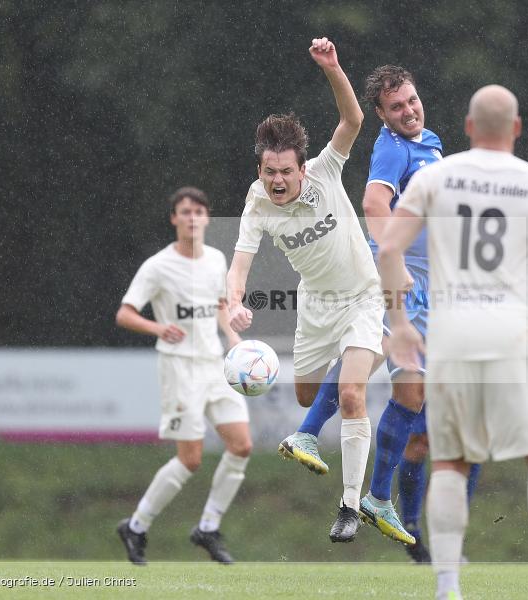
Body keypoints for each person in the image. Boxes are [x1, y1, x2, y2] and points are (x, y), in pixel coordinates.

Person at [380, 85, 528, 600]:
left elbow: (388, 249)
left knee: (450, 462)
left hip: (453, 331)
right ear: (517, 129)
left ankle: (446, 587)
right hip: (517, 330)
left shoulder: (434, 177)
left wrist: (401, 325)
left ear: (467, 127)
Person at [289, 65, 482, 561]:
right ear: (381, 114)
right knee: (368, 362)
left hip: (429, 292)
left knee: (410, 394)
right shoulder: (392, 147)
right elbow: (375, 202)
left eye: (412, 100)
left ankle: (375, 497)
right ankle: (310, 436)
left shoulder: (430, 141)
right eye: (396, 107)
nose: (409, 110)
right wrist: (393, 256)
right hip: (398, 287)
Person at [227, 37, 382, 543]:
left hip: (363, 295)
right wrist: (234, 301)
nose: (277, 181)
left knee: (352, 393)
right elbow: (241, 260)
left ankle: (350, 507)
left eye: (285, 172)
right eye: (269, 172)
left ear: (301, 166)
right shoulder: (257, 203)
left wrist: (334, 69)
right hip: (315, 306)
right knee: (308, 395)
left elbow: (353, 121)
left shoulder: (325, 170)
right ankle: (315, 422)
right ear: (260, 170)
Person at [114, 186, 251, 566]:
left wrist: (235, 339)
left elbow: (221, 305)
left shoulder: (216, 259)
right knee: (190, 459)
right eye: (185, 211)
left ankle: (208, 527)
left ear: (207, 218)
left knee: (241, 446)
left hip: (215, 366)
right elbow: (125, 313)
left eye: (199, 211)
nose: (193, 217)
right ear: (174, 218)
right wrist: (158, 328)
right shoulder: (158, 266)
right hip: (179, 368)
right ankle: (137, 526)